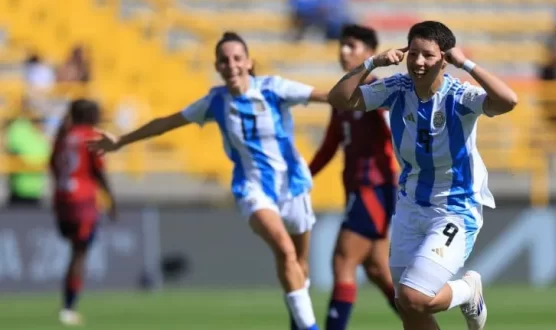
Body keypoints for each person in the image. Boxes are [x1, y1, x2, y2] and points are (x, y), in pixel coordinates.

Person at [87, 32, 328, 330]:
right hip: (253, 189)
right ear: (217, 66)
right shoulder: (215, 102)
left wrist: (368, 85)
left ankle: (299, 323)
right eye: (224, 60)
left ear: (249, 62)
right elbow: (166, 123)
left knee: (298, 265)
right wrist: (122, 140)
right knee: (285, 249)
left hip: (293, 186)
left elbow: (328, 96)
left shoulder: (274, 88)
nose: (231, 65)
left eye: (237, 58)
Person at [327, 20, 518, 330]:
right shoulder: (396, 89)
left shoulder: (459, 95)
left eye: (427, 55)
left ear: (444, 58)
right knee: (407, 305)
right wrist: (372, 62)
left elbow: (508, 100)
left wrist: (466, 63)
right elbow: (340, 99)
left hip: (454, 209)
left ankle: (468, 291)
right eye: (413, 53)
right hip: (410, 206)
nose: (418, 62)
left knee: (415, 296)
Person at [307, 24, 399, 330]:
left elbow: (398, 136)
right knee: (376, 269)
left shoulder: (377, 93)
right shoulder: (343, 97)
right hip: (358, 189)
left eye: (352, 46)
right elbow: (331, 145)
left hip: (374, 188)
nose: (344, 51)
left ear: (370, 54)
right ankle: (422, 324)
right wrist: (304, 178)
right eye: (342, 46)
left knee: (343, 260)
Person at [50, 99, 117, 326]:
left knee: (75, 250)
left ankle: (68, 306)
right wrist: (112, 200)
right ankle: (68, 308)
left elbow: (52, 165)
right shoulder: (90, 136)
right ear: (89, 115)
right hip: (83, 202)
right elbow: (98, 171)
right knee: (79, 253)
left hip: (61, 199)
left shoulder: (62, 136)